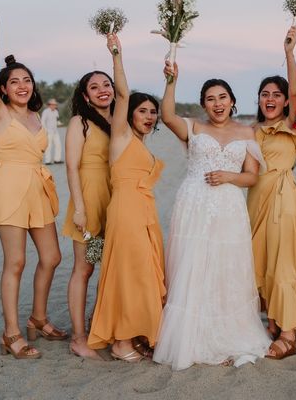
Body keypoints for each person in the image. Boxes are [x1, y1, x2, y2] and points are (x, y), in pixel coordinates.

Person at [153, 62, 271, 370]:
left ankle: (227, 332)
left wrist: (229, 177)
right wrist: (171, 81)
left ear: (232, 101)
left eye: (222, 97)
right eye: (210, 99)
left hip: (229, 206)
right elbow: (166, 116)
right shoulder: (194, 127)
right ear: (203, 104)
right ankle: (189, 336)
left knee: (225, 266)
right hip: (194, 203)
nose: (217, 104)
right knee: (192, 263)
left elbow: (251, 177)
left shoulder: (246, 132)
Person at [0, 5, 67, 360]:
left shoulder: (37, 116)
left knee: (52, 257)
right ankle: (12, 332)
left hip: (39, 189)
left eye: (26, 80)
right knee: (15, 262)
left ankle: (38, 317)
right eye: (13, 81)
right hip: (11, 189)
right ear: (3, 88)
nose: (21, 85)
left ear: (33, 87)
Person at [87, 33, 165, 362]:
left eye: (153, 112)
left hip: (143, 210)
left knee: (142, 272)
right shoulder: (120, 136)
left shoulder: (143, 144)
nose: (149, 116)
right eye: (143, 110)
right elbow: (122, 92)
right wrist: (117, 54)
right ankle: (120, 341)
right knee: (129, 272)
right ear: (129, 113)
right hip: (126, 210)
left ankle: (136, 334)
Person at [246, 26, 296, 360]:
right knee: (259, 258)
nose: (270, 99)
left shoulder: (291, 125)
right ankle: (273, 318)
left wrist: (289, 53)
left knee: (282, 260)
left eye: (276, 94)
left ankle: (288, 333)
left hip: (283, 199)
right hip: (255, 200)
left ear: (285, 101)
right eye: (264, 94)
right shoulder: (251, 130)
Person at [62, 70, 114, 359]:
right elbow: (71, 167)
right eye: (94, 87)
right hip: (90, 199)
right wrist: (80, 208)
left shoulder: (119, 121)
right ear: (85, 96)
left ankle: (98, 325)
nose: (102, 90)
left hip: (115, 199)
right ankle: (78, 337)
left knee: (109, 267)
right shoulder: (79, 123)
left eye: (106, 84)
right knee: (85, 267)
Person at [41, 98, 62, 164]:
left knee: (58, 145)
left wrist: (59, 123)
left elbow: (56, 120)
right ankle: (48, 161)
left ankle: (57, 160)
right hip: (48, 132)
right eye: (53, 104)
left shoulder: (56, 111)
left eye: (55, 105)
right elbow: (42, 121)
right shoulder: (46, 111)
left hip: (55, 131)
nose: (54, 106)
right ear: (49, 105)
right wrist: (45, 130)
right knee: (48, 146)